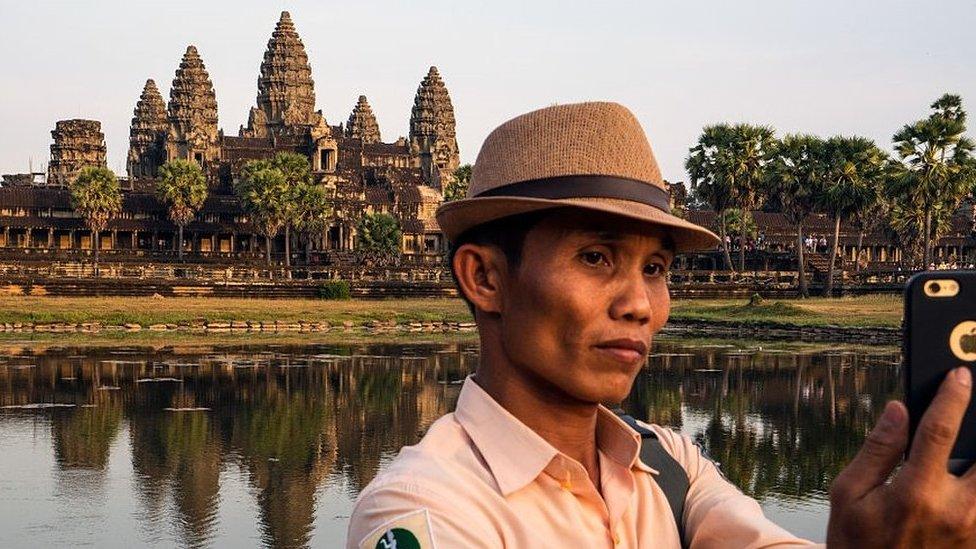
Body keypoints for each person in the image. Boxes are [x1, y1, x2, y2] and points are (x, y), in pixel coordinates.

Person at [346, 102, 976, 548]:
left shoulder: (667, 465)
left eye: (656, 267)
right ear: (485, 278)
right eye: (596, 257)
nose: (641, 304)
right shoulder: (425, 509)